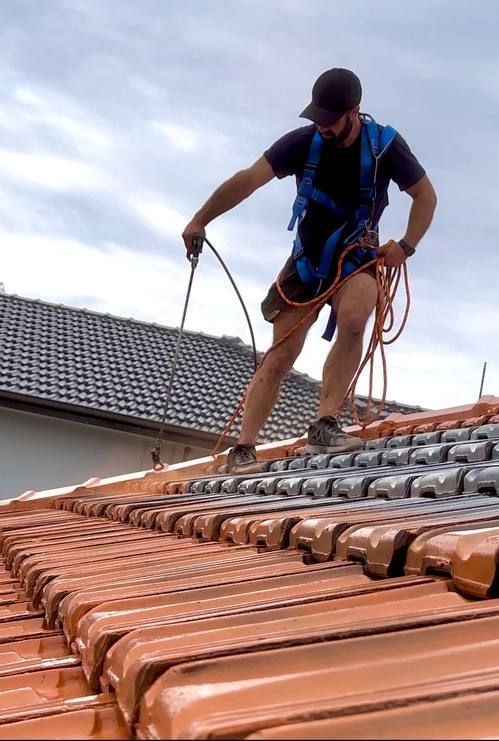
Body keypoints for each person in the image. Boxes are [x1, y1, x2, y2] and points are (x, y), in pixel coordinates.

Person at [181, 68, 438, 474]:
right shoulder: (302, 143)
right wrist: (200, 219)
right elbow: (248, 180)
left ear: (354, 112)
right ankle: (243, 448)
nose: (323, 125)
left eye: (331, 118)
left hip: (358, 255)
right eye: (318, 117)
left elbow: (425, 195)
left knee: (355, 316)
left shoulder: (385, 147)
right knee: (281, 355)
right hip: (307, 260)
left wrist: (405, 246)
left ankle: (325, 423)